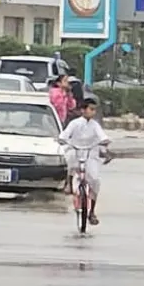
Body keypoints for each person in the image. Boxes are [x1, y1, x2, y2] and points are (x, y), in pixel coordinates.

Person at [58, 96, 111, 224]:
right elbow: (65, 135)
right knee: (70, 158)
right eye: (90, 109)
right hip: (76, 150)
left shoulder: (95, 125)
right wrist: (62, 139)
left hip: (90, 154)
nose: (93, 112)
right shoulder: (74, 123)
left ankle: (92, 212)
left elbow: (102, 136)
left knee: (95, 180)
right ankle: (69, 183)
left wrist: (105, 141)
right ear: (83, 110)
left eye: (94, 110)